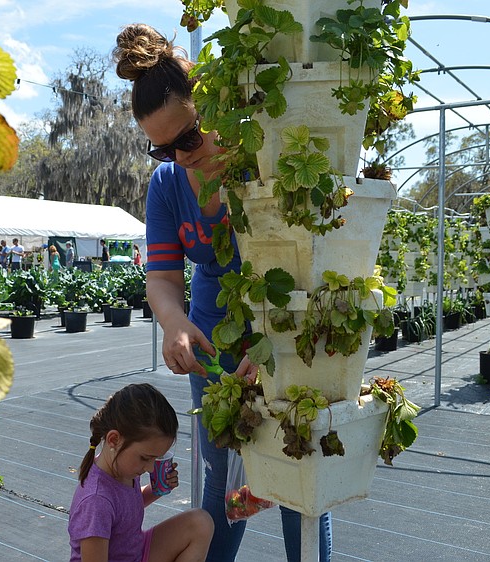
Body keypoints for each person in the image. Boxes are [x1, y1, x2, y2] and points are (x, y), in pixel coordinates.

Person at [113, 23, 332, 562]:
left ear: (212, 108)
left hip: (285, 329)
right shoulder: (166, 187)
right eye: (161, 149)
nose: (179, 156)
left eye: (187, 138)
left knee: (298, 482)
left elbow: (307, 263)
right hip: (216, 342)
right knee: (222, 480)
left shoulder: (263, 166)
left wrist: (273, 353)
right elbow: (163, 279)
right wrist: (175, 324)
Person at [68, 383, 213, 562]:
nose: (150, 468)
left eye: (155, 459)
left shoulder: (120, 466)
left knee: (201, 522)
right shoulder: (95, 502)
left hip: (135, 551)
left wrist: (156, 489)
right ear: (114, 439)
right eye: (145, 458)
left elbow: (125, 508)